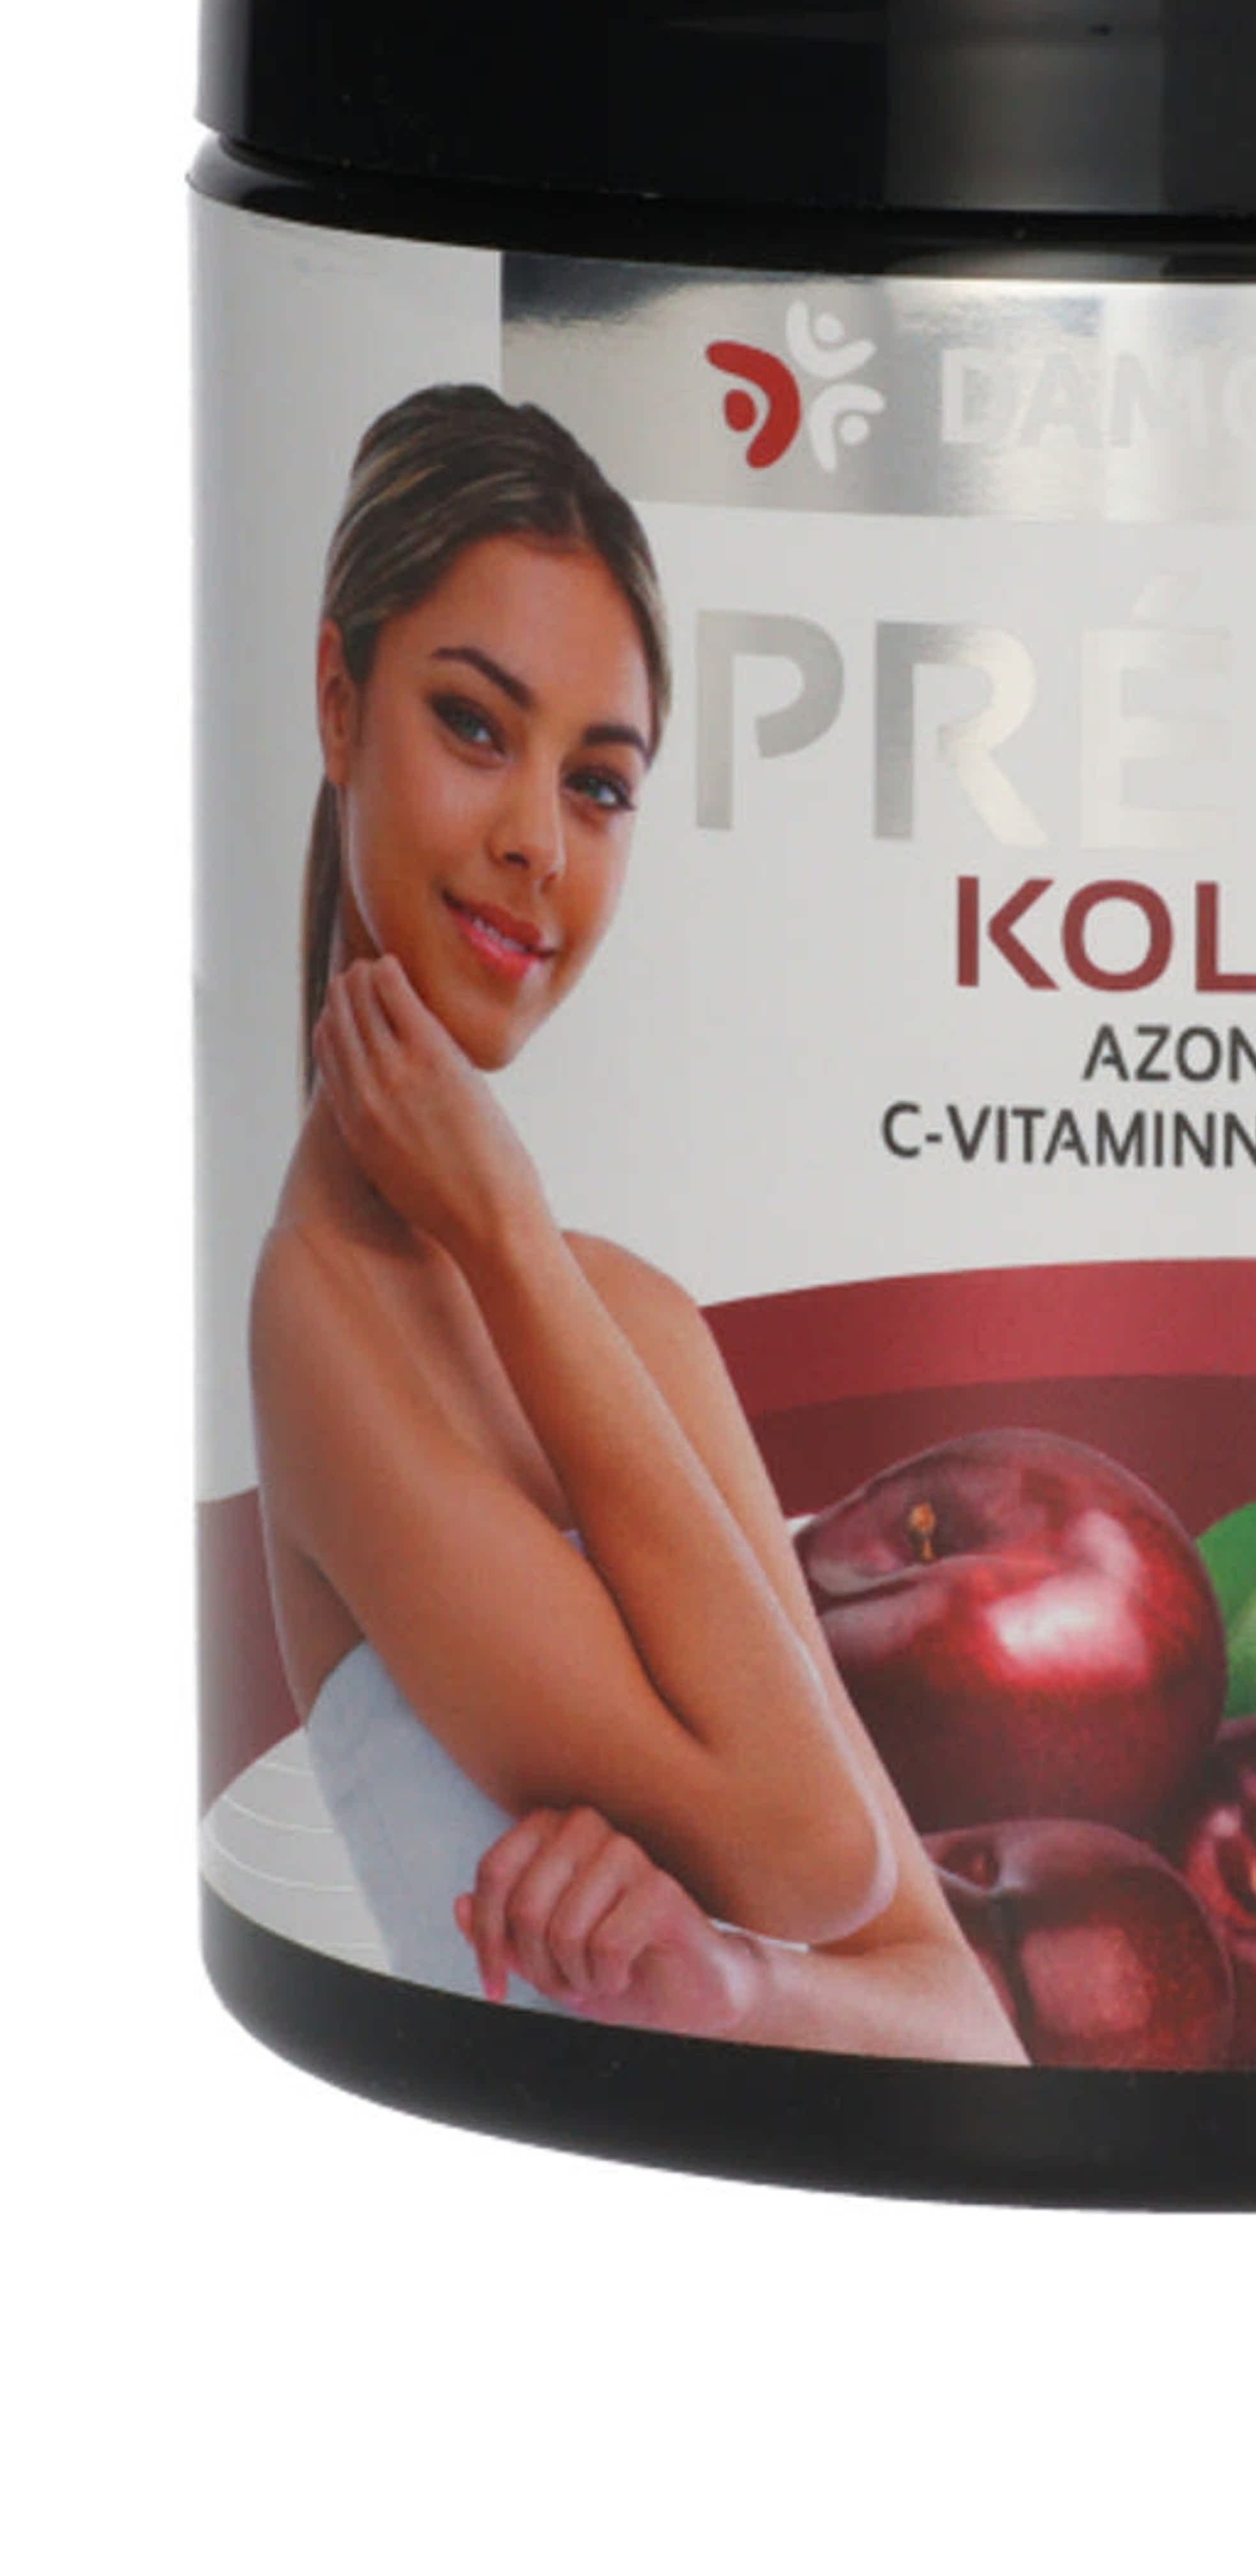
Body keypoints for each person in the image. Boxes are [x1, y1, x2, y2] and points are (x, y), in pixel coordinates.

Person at [249, 385, 1020, 2061]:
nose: (536, 841)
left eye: (598, 785)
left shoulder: (633, 1323)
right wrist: (507, 1237)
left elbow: (964, 2024)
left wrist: (728, 1983)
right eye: (474, 726)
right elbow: (811, 1855)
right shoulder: (324, 1330)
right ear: (337, 700)